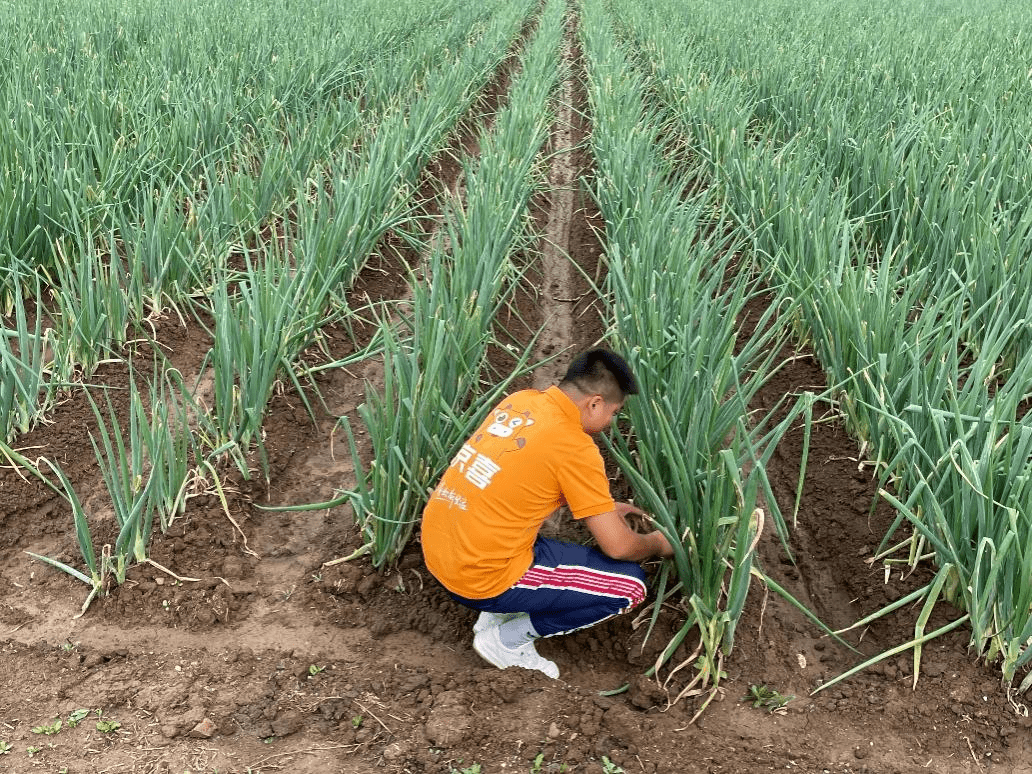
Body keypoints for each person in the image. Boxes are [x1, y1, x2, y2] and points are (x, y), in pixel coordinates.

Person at [420, 349, 674, 679]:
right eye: (615, 412)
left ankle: (498, 613)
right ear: (595, 403)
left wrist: (604, 509)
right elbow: (620, 548)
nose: (612, 423)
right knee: (630, 587)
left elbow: (521, 478)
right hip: (480, 577)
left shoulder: (520, 402)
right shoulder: (575, 447)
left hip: (441, 551)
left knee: (521, 527)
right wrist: (659, 543)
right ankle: (507, 640)